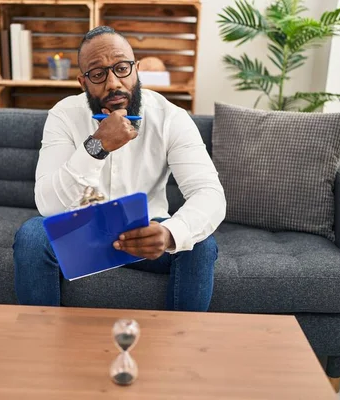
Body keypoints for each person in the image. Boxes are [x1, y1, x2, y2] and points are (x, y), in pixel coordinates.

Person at [13, 26, 226, 312]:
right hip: (83, 228)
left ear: (136, 70)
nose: (113, 83)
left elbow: (209, 193)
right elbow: (47, 204)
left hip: (146, 234)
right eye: (98, 74)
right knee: (32, 236)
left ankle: (180, 351)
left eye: (122, 68)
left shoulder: (171, 118)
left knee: (200, 245)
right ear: (82, 82)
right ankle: (43, 348)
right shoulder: (64, 115)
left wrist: (170, 233)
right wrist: (96, 146)